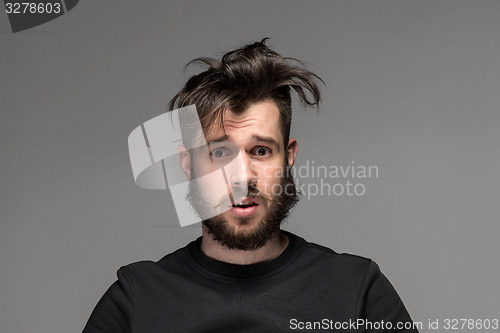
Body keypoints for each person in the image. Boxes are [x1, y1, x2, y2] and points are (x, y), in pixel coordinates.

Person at [83, 39, 419, 332]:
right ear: (187, 164)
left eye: (260, 151)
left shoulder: (357, 291)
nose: (243, 176)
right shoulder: (135, 300)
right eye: (219, 152)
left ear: (288, 157)